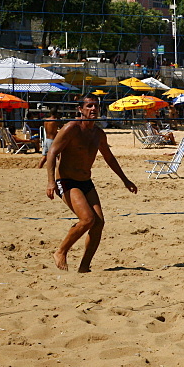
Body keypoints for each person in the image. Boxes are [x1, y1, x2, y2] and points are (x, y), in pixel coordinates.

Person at [45, 95, 137, 272]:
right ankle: (61, 252)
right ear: (80, 109)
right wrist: (50, 182)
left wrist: (125, 180)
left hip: (86, 180)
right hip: (66, 181)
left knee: (99, 223)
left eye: (96, 106)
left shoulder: (98, 134)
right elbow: (52, 153)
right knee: (87, 219)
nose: (93, 109)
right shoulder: (71, 128)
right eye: (89, 106)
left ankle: (84, 266)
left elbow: (109, 158)